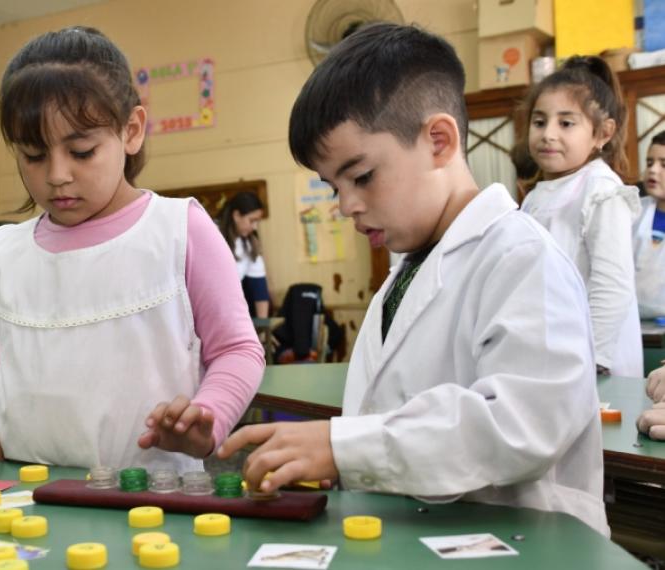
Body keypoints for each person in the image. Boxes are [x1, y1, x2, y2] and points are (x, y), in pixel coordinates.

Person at [219, 22, 608, 536]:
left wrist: (344, 448)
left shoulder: (524, 259)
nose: (346, 205)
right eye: (332, 186)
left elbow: (521, 425)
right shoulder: (406, 273)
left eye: (360, 176)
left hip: (523, 545)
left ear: (439, 141)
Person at [0, 27, 264, 471]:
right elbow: (13, 348)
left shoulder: (176, 229)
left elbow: (237, 350)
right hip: (25, 497)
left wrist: (207, 416)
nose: (56, 175)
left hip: (149, 498)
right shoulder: (7, 249)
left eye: (82, 151)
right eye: (33, 156)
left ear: (130, 132)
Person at [520, 56, 642, 378]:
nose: (548, 134)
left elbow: (612, 284)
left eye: (566, 123)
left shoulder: (601, 190)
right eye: (539, 121)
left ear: (602, 133)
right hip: (552, 355)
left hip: (594, 363)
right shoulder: (534, 197)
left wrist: (593, 359)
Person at [218, 192, 271, 318]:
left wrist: (263, 330)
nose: (255, 227)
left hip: (231, 310)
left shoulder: (249, 244)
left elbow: (260, 290)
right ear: (236, 216)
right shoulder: (212, 233)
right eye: (252, 220)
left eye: (257, 222)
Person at [633, 131, 665, 318]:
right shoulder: (632, 213)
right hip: (632, 325)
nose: (653, 170)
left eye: (664, 164)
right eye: (649, 163)